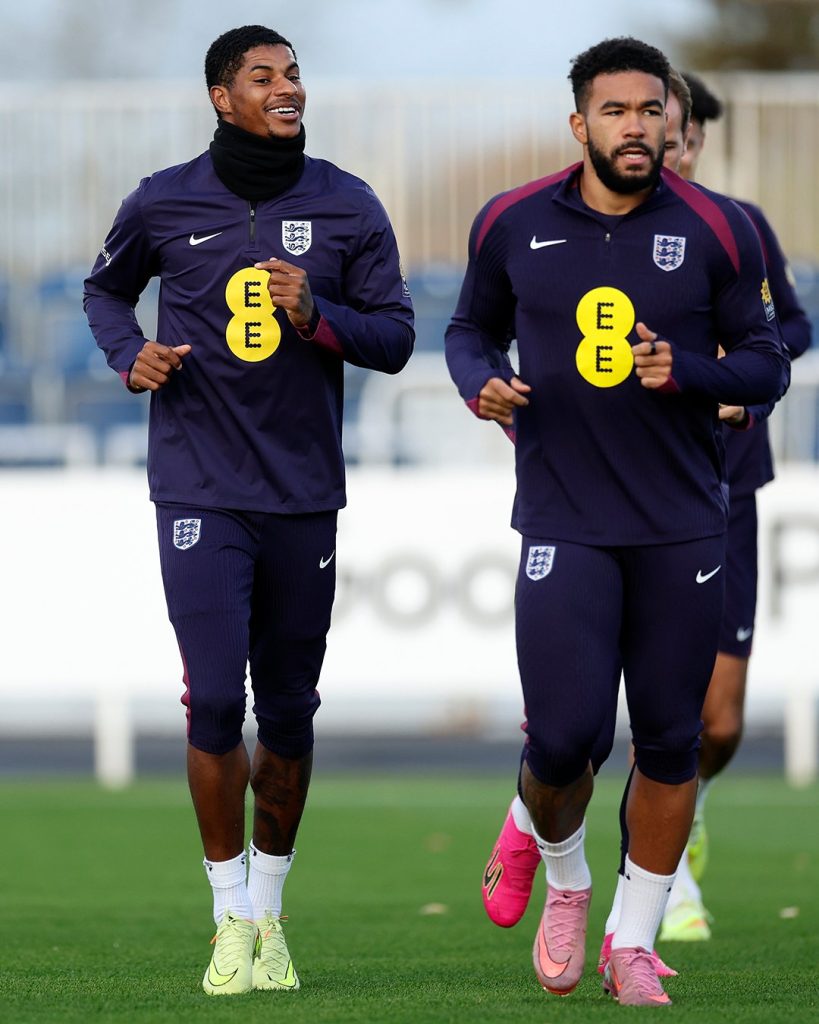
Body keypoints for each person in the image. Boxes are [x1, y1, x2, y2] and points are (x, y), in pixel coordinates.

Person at [446, 36, 787, 1007]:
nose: (637, 128)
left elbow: (767, 362)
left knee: (673, 738)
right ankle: (566, 880)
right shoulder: (512, 222)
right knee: (562, 741)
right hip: (564, 518)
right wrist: (482, 385)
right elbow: (468, 327)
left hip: (684, 521)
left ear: (669, 120)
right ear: (580, 123)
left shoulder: (721, 230)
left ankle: (631, 941)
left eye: (650, 112)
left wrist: (691, 372)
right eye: (616, 111)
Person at [84, 25, 413, 997]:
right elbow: (105, 291)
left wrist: (318, 314)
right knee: (216, 702)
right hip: (197, 486)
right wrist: (127, 353)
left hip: (305, 493)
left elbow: (395, 337)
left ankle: (271, 911)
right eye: (263, 77)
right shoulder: (163, 198)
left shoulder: (348, 203)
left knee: (292, 712)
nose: (288, 88)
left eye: (295, 73)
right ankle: (229, 913)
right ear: (222, 98)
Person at [654, 71, 813, 942]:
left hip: (727, 487)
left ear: (696, 139)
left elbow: (792, 327)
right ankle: (665, 877)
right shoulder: (597, 236)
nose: (661, 146)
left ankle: (694, 803)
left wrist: (738, 366)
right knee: (648, 704)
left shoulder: (737, 226)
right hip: (633, 488)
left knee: (717, 720)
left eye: (674, 132)